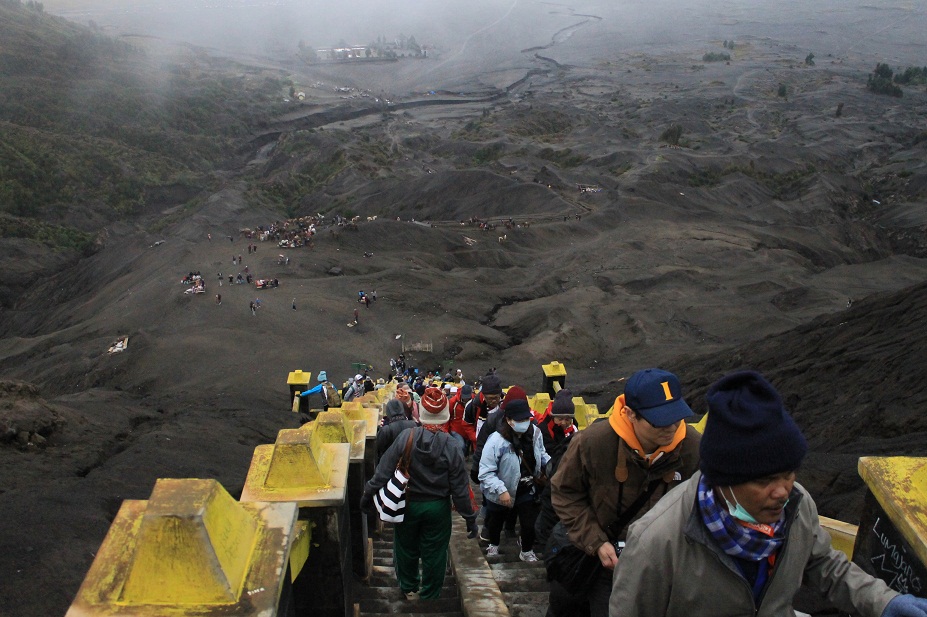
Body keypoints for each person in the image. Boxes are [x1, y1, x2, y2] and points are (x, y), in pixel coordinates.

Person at [609, 371, 927, 617]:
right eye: (764, 481)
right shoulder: (657, 541)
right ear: (724, 480)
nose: (782, 491)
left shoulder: (798, 507)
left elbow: (825, 567)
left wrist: (885, 603)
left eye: (789, 473)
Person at [550, 368, 701, 617]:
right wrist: (596, 542)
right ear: (630, 414)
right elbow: (565, 492)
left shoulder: (694, 449)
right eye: (660, 420)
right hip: (604, 564)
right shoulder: (593, 443)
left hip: (663, 569)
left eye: (677, 417)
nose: (672, 427)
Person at [360, 387, 477, 600]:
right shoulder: (451, 445)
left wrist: (368, 495)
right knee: (435, 553)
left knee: (406, 547)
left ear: (420, 412)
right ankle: (430, 595)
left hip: (407, 504)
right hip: (438, 507)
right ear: (445, 416)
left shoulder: (407, 437)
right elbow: (460, 488)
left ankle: (409, 588)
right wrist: (469, 517)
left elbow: (383, 471)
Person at [479, 391, 551, 562]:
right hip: (501, 489)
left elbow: (541, 453)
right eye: (519, 420)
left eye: (526, 419)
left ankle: (526, 550)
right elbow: (486, 471)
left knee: (529, 523)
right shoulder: (496, 441)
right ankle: (494, 546)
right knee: (496, 521)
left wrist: (551, 465)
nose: (524, 423)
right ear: (509, 420)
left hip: (526, 486)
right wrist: (500, 490)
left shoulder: (534, 433)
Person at [533, 389, 578, 552]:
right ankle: (541, 545)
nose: (564, 422)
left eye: (568, 419)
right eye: (560, 418)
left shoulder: (574, 427)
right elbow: (547, 453)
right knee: (546, 511)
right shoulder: (544, 429)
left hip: (566, 474)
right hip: (550, 475)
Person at [447, 384, 477, 455]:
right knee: (461, 446)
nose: (466, 399)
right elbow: (447, 416)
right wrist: (446, 430)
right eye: (464, 398)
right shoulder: (453, 402)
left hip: (469, 428)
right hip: (456, 429)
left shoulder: (475, 401)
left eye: (468, 398)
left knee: (467, 447)